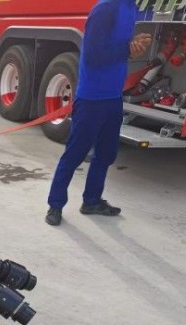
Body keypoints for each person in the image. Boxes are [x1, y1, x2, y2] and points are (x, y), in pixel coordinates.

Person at [45, 0, 151, 226]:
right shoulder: (105, 9)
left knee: (106, 153)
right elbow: (93, 54)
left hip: (114, 97)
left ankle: (91, 201)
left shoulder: (130, 7)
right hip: (91, 98)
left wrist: (132, 44)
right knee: (74, 154)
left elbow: (114, 43)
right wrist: (127, 50)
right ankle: (55, 205)